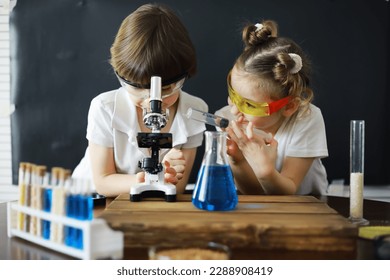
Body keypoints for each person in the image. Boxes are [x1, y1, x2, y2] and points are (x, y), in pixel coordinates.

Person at [72, 4, 208, 197]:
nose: (151, 100)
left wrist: (169, 174)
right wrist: (147, 179)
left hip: (148, 204)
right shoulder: (104, 108)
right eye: (138, 88)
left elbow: (176, 187)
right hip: (91, 200)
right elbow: (103, 182)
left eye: (166, 89)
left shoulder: (194, 111)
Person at [216, 20, 328, 195]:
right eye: (233, 94)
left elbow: (288, 192)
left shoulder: (306, 119)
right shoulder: (225, 117)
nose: (234, 110)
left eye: (250, 105)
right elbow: (255, 196)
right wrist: (237, 160)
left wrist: (265, 171)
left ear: (289, 106)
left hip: (308, 208)